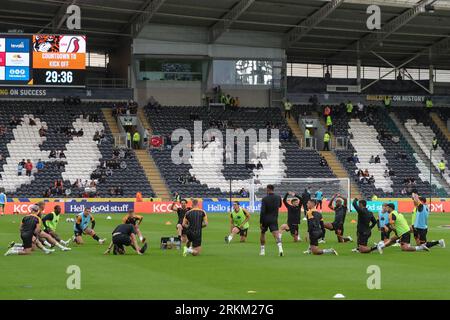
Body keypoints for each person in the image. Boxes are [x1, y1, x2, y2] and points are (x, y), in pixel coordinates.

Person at [259, 184, 283, 256]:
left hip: (265, 219)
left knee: (263, 233)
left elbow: (262, 211)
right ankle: (280, 249)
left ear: (268, 189)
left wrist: (261, 222)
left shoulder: (265, 199)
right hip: (274, 218)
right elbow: (280, 205)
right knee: (276, 234)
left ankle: (262, 251)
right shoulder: (278, 197)